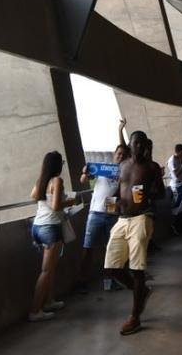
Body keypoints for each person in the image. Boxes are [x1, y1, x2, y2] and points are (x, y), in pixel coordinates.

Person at [104, 130, 165, 336]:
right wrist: (111, 202)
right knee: (112, 267)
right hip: (122, 219)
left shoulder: (152, 167)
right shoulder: (123, 165)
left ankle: (135, 317)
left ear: (145, 145)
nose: (138, 147)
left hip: (142, 217)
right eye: (135, 143)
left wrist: (147, 192)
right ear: (129, 144)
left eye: (141, 144)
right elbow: (119, 189)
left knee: (137, 268)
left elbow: (161, 193)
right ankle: (142, 291)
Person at [29, 151, 79, 322]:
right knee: (46, 270)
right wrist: (70, 202)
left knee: (49, 269)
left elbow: (34, 196)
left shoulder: (41, 181)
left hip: (37, 226)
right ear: (58, 165)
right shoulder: (57, 180)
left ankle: (49, 301)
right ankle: (35, 311)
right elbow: (57, 206)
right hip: (50, 228)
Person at [77, 143, 126, 293]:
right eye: (119, 153)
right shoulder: (103, 167)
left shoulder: (124, 172)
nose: (121, 156)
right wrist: (85, 173)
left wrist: (116, 204)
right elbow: (83, 180)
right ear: (114, 154)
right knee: (88, 249)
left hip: (111, 213)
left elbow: (118, 194)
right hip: (95, 213)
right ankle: (82, 282)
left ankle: (108, 282)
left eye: (124, 155)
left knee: (109, 250)